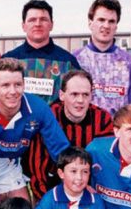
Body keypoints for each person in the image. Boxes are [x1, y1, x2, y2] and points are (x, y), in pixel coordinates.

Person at [0, 58, 70, 203]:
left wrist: (74, 176)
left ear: (24, 85)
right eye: (5, 85)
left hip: (7, 164)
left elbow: (60, 148)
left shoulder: (38, 108)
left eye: (18, 85)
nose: (12, 91)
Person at [23, 69, 113, 201]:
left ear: (91, 96)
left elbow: (106, 164)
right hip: (50, 186)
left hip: (89, 190)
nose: (80, 100)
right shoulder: (47, 118)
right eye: (74, 94)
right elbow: (37, 167)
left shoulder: (102, 119)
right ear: (62, 95)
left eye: (85, 94)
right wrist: (46, 202)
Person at [72, 0, 131, 115]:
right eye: (101, 20)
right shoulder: (73, 60)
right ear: (90, 23)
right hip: (82, 132)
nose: (106, 26)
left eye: (111, 21)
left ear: (116, 27)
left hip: (119, 132)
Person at [2, 0, 80, 104]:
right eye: (32, 20)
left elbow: (78, 96)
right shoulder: (8, 61)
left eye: (43, 19)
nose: (38, 24)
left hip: (55, 120)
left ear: (51, 24)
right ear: (23, 26)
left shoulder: (67, 62)